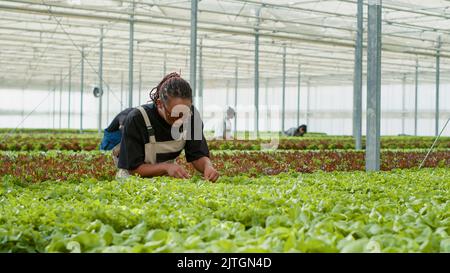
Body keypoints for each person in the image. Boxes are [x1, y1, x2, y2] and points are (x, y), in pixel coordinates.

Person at [115, 72, 219, 182]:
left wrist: (208, 167)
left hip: (164, 179)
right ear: (160, 104)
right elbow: (133, 168)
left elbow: (197, 154)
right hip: (134, 179)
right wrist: (166, 167)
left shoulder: (192, 116)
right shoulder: (138, 119)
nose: (181, 120)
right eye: (174, 115)